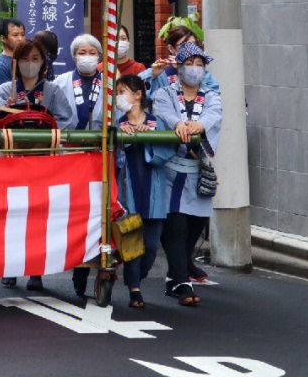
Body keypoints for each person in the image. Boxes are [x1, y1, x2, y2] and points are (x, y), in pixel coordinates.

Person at [0, 38, 74, 290]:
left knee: (38, 217)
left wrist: (47, 124)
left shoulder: (53, 90)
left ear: (43, 63)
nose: (29, 64)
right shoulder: (5, 90)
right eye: (24, 59)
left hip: (42, 162)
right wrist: (0, 111)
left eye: (35, 59)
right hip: (11, 161)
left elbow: (67, 120)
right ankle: (11, 267)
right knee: (12, 215)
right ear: (15, 63)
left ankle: (36, 270)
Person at [152, 42, 222, 306]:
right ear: (178, 67)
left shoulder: (211, 96)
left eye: (199, 64)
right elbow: (162, 110)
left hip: (197, 170)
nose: (194, 69)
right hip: (172, 172)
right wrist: (178, 123)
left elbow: (215, 115)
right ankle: (182, 283)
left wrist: (199, 124)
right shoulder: (166, 93)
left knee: (194, 227)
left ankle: (174, 275)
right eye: (189, 64)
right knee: (176, 227)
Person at [53, 33, 115, 294]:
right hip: (69, 157)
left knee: (98, 216)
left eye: (92, 52)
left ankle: (97, 265)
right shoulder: (61, 82)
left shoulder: (110, 84)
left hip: (99, 158)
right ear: (74, 55)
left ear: (99, 57)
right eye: (82, 52)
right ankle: (73, 269)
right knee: (72, 214)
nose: (87, 56)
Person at [114, 74, 174, 308]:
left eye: (123, 91)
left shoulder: (156, 122)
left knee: (150, 246)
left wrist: (145, 137)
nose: (119, 97)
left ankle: (138, 277)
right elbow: (114, 158)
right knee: (131, 243)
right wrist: (123, 138)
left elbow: (166, 153)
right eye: (118, 92)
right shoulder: (117, 124)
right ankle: (134, 289)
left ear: (138, 95)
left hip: (153, 193)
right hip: (128, 193)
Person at [147, 22, 219, 100]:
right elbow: (149, 98)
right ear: (171, 48)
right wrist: (152, 76)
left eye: (193, 45)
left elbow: (214, 93)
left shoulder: (200, 70)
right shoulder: (161, 72)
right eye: (183, 45)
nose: (189, 49)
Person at [0, 18, 25, 91]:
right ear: (3, 38)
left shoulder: (25, 60)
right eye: (15, 35)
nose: (20, 39)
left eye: (22, 34)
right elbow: (3, 97)